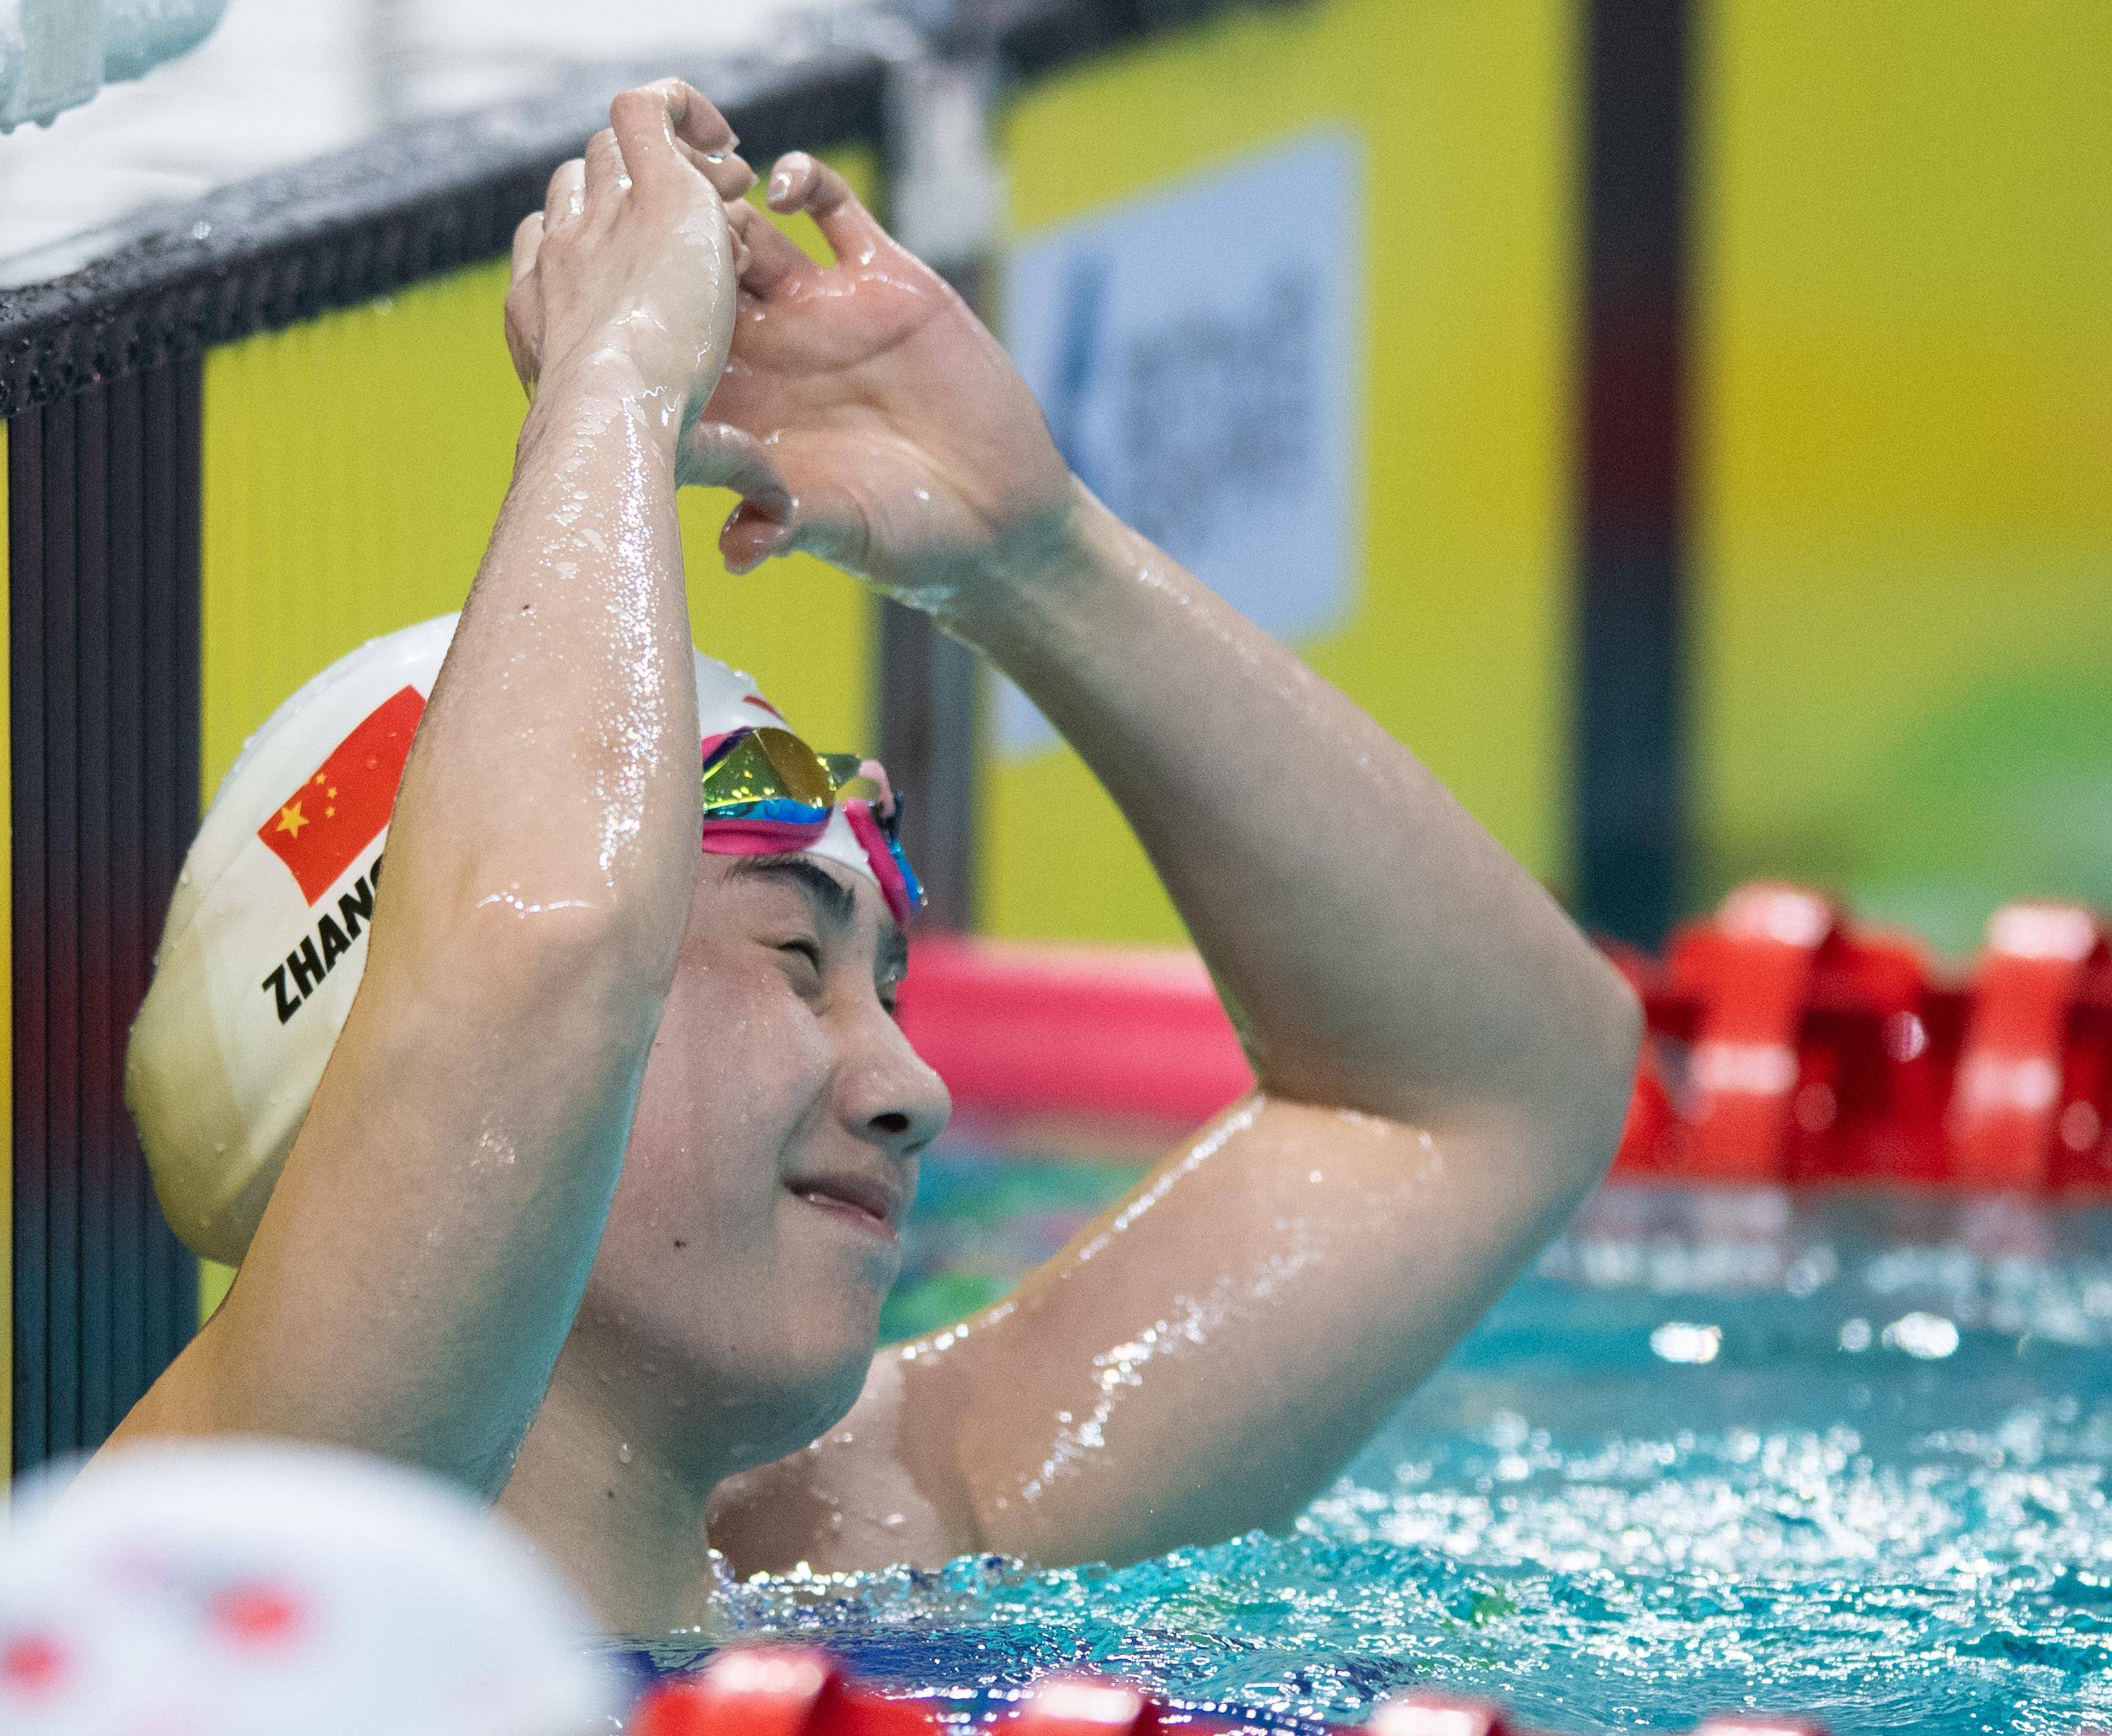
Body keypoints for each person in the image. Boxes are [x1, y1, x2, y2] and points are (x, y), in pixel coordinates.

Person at [103, 80, 1642, 1635]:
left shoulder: (858, 1549)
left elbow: (1487, 1092)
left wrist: (1034, 561)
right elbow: (537, 956)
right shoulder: (234, 1575)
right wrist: (613, 382)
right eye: (792, 955)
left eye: (882, 987)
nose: (912, 1089)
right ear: (368, 1044)